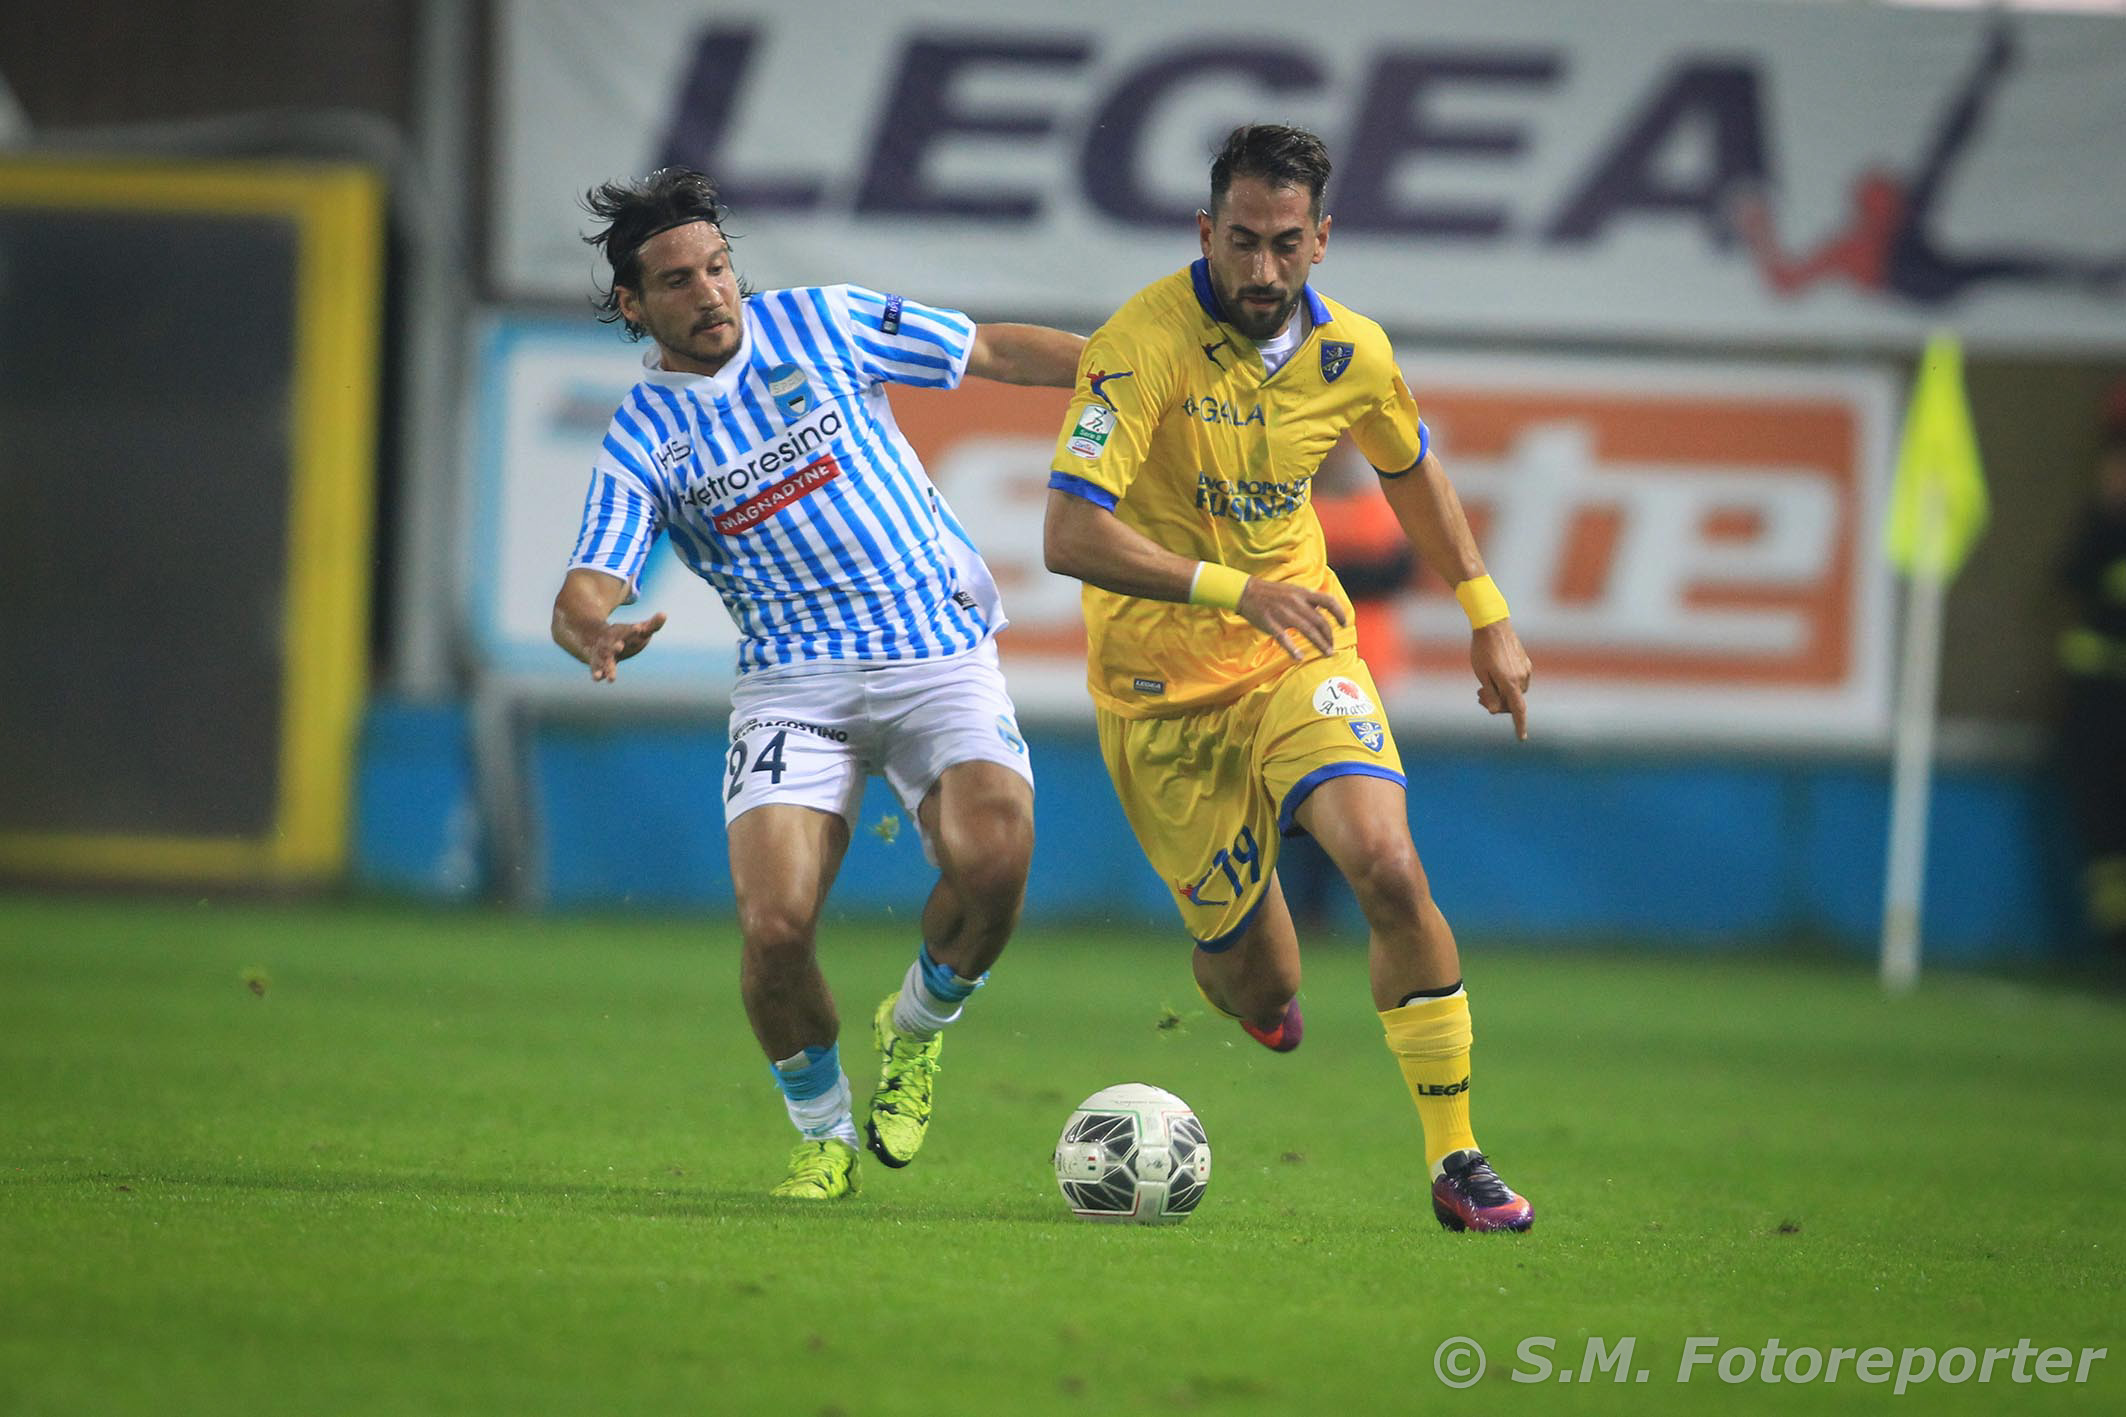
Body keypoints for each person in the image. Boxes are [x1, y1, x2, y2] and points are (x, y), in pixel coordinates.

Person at [552, 168, 1084, 1200]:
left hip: (935, 649)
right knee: (775, 928)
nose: (710, 292)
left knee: (997, 857)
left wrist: (1125, 370)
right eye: (678, 280)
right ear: (633, 305)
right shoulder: (644, 435)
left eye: (718, 267)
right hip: (795, 688)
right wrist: (590, 627)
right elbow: (587, 583)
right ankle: (823, 1131)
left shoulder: (823, 323)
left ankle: (918, 1025)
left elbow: (987, 349)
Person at [1043, 124, 1536, 1232]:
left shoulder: (1353, 352)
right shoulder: (1138, 345)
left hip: (1296, 653)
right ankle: (1248, 990)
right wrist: (1234, 589)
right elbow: (1068, 534)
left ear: (1321, 240)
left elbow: (1412, 471)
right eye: (1241, 241)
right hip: (1162, 699)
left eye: (1283, 243)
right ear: (1203, 232)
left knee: (1388, 867)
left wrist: (1487, 612)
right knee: (1260, 980)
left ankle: (1455, 1158)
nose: (1261, 268)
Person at [2058, 386, 2126, 954]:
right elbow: (2072, 579)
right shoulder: (2103, 527)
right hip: (2099, 700)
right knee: (2103, 826)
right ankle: (2115, 941)